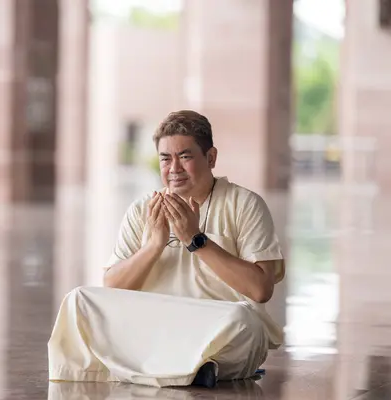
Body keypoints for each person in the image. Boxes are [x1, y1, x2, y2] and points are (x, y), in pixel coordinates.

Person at [48, 110, 285, 388]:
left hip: (215, 327)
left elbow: (260, 290)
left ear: (210, 158)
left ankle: (144, 367)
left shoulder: (244, 204)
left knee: (245, 321)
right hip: (158, 326)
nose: (174, 168)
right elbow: (112, 285)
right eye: (165, 158)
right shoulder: (142, 210)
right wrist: (154, 246)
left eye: (185, 156)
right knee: (79, 300)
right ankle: (185, 369)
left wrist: (196, 240)